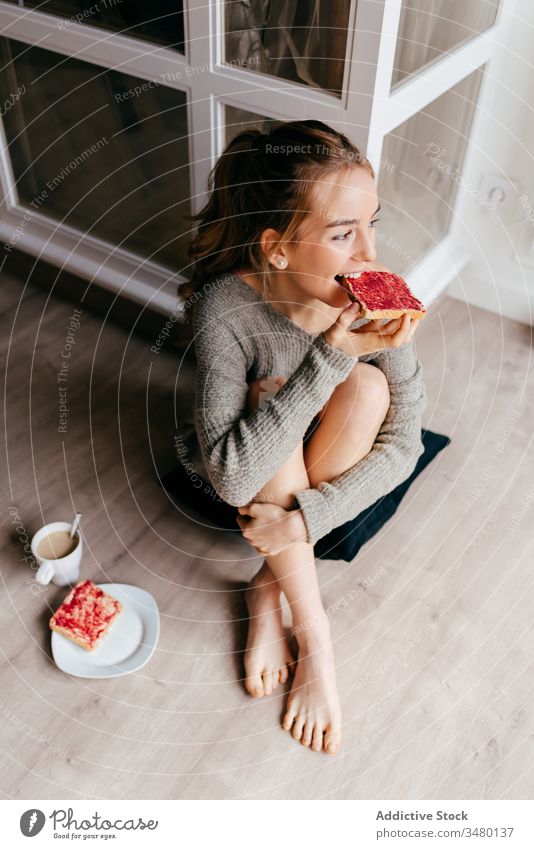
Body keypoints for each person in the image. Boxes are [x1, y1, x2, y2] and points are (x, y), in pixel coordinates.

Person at [180, 119, 426, 755]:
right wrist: (330, 356)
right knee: (271, 394)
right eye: (344, 234)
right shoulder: (226, 310)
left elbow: (406, 445)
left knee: (372, 391)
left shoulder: (376, 295)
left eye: (373, 222)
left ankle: (270, 586)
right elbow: (231, 475)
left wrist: (304, 522)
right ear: (278, 248)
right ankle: (317, 640)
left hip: (306, 491)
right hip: (245, 477)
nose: (370, 254)